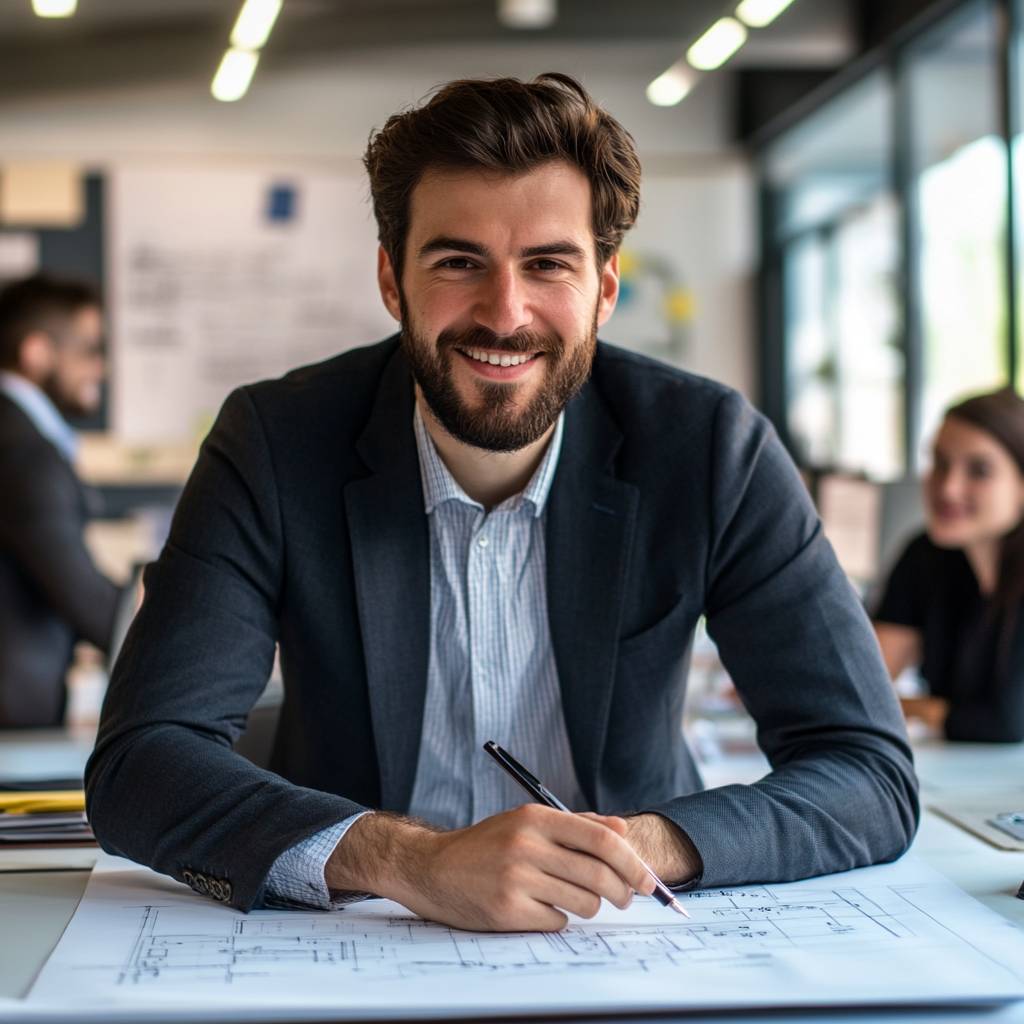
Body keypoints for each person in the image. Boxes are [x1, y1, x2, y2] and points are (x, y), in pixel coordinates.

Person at [86, 73, 918, 931]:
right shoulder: (274, 441)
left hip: (624, 938)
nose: (504, 313)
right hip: (355, 937)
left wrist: (636, 845)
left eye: (549, 264)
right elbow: (141, 763)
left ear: (604, 289)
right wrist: (413, 862)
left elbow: (868, 772)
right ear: (391, 279)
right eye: (458, 262)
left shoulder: (709, 447)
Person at [0, 274, 124, 728]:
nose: (101, 369)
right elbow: (85, 599)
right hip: (12, 729)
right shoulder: (23, 450)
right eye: (90, 349)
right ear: (37, 352)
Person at [874, 388, 1024, 743]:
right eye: (940, 463)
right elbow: (863, 682)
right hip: (959, 778)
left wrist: (909, 706)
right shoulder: (925, 556)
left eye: (979, 470)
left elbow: (1006, 721)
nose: (949, 488)